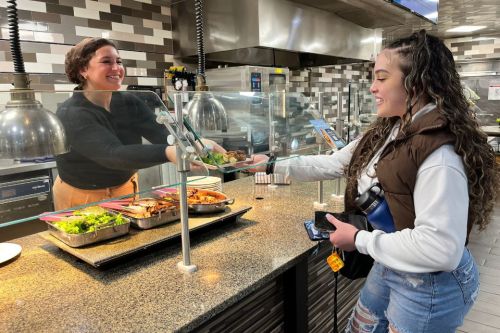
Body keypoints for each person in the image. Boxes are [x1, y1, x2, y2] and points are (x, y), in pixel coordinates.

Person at [250, 30, 497, 332]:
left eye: (381, 78)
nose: (371, 88)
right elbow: (332, 163)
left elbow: (441, 248)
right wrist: (273, 164)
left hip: (431, 285)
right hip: (393, 265)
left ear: (416, 82)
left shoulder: (439, 154)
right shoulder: (389, 131)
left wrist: (359, 240)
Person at [54, 37, 223, 210]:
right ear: (83, 70)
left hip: (126, 188)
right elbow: (112, 155)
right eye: (106, 61)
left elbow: (161, 133)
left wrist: (193, 144)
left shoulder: (128, 101)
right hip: (83, 195)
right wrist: (169, 153)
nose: (116, 68)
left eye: (118, 61)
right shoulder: (72, 113)